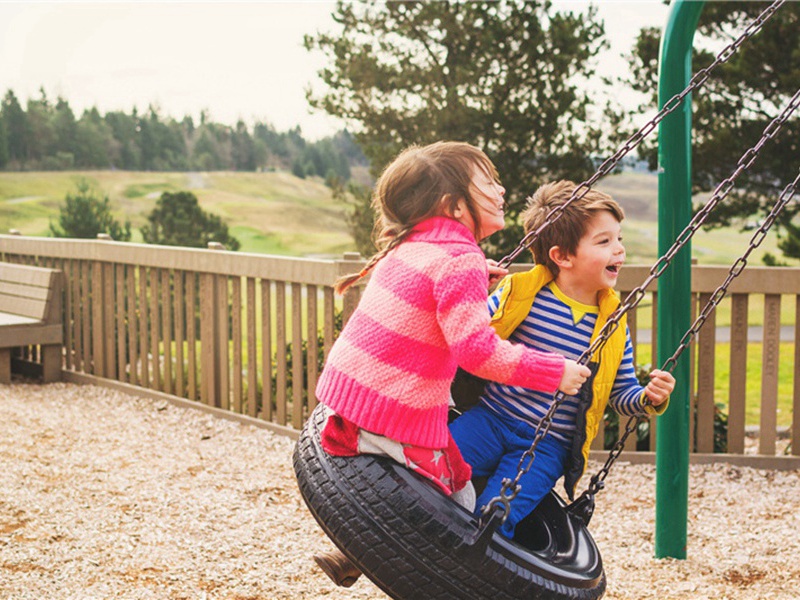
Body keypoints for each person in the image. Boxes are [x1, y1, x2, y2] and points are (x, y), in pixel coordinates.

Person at [311, 143, 591, 587]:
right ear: (454, 206)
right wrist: (555, 373)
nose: (501, 191)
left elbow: (421, 316)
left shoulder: (414, 245)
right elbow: (478, 354)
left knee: (436, 483)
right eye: (488, 183)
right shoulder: (460, 261)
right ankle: (370, 559)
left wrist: (478, 281)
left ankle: (357, 554)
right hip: (392, 417)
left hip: (347, 400)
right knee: (457, 504)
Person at [449, 180, 675, 540]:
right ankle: (367, 549)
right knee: (427, 470)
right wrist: (475, 286)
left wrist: (649, 398)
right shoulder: (521, 294)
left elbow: (620, 394)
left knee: (493, 518)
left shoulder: (613, 325)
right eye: (604, 242)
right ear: (562, 256)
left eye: (619, 238)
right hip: (489, 419)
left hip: (544, 447)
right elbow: (472, 334)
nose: (619, 250)